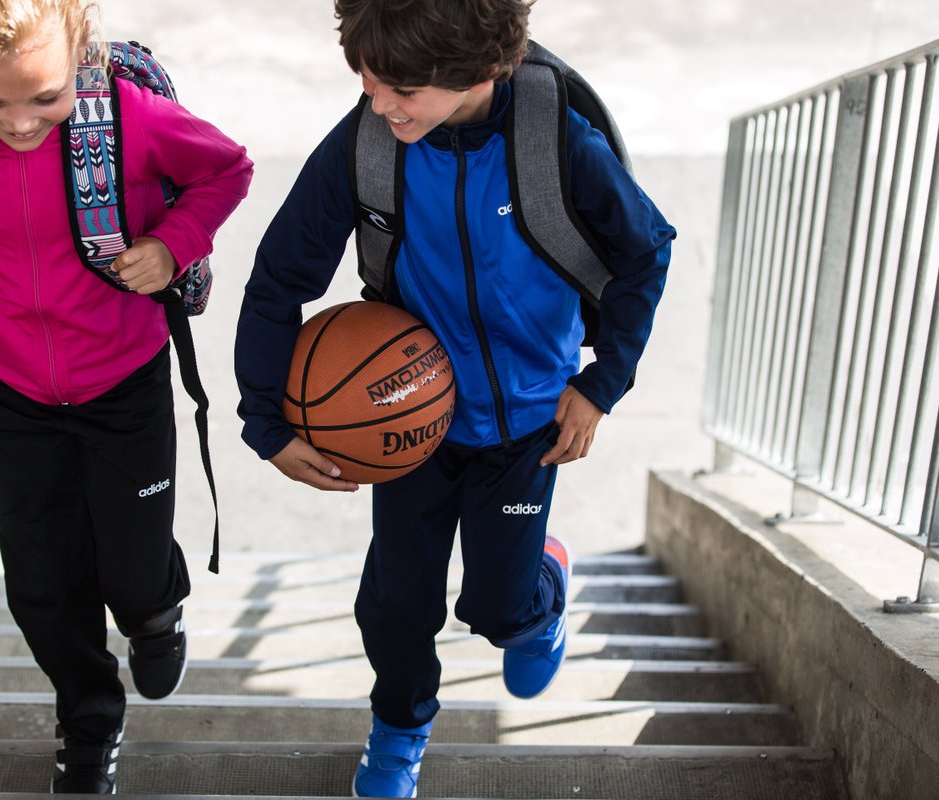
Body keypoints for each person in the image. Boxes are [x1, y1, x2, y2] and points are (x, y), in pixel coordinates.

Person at [233, 0, 673, 796]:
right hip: (411, 420)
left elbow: (645, 254)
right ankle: (400, 729)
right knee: (395, 606)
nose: (377, 101)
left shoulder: (556, 143)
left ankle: (541, 593)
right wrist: (264, 422)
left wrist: (600, 386)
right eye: (366, 78)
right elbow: (276, 281)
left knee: (498, 612)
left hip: (527, 423)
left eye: (399, 87)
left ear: (480, 73)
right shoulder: (367, 141)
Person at [0, 0, 253, 793]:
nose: (20, 123)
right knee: (40, 579)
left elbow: (226, 168)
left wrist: (172, 247)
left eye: (45, 97)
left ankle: (155, 611)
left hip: (123, 378)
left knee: (132, 563)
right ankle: (88, 716)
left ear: (76, 55)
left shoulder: (127, 116)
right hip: (9, 387)